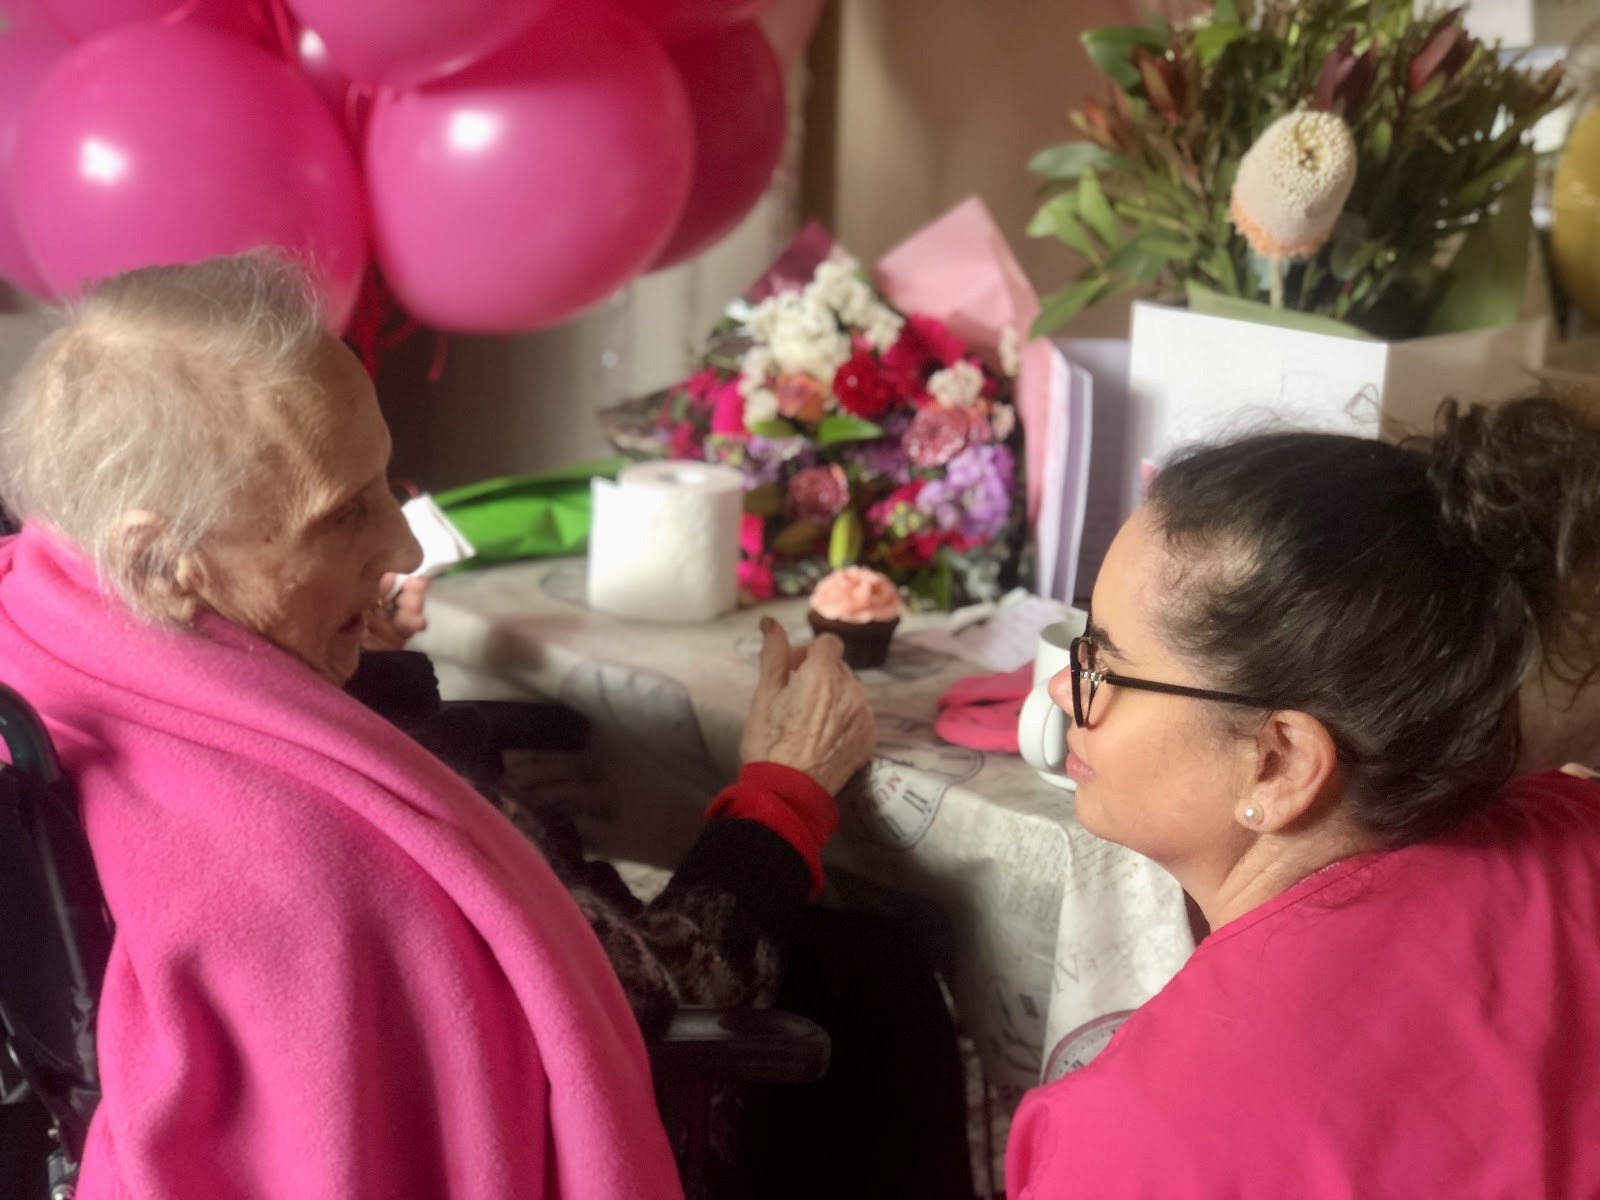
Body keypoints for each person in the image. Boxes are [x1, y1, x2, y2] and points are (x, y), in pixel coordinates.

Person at [0, 251, 877, 1199]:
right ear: (161, 558)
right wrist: (784, 797)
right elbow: (657, 993)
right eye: (342, 515)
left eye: (387, 482)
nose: (406, 546)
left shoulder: (41, 607)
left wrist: (350, 663)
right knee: (871, 970)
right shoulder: (315, 864)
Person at [1005, 396, 1600, 1197]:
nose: (1061, 687)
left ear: (1279, 764)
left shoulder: (1131, 1138)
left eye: (1101, 667)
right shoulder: (1574, 834)